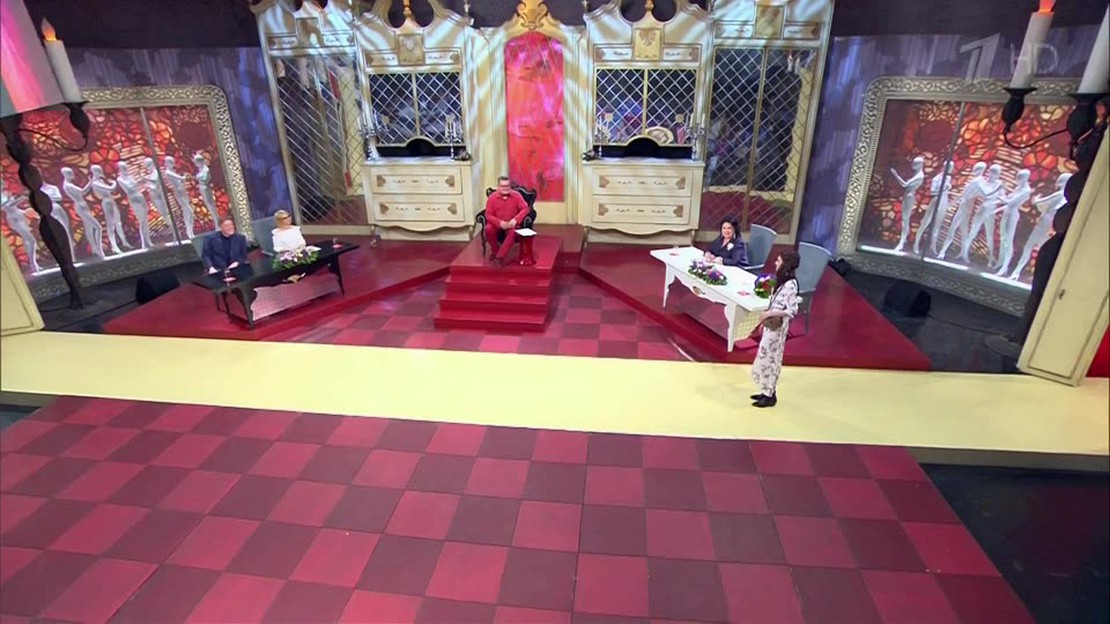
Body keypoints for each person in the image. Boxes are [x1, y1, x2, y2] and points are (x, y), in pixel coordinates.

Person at [750, 248, 800, 408]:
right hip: (771, 326)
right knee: (764, 357)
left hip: (778, 329)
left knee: (772, 360)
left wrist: (770, 313)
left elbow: (792, 310)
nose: (775, 263)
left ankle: (770, 393)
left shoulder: (791, 285)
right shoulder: (781, 281)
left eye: (778, 261)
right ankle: (765, 389)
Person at [483, 175, 530, 266]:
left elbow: (525, 209)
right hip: (497, 223)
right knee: (488, 229)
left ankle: (499, 257)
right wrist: (499, 223)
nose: (505, 188)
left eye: (507, 186)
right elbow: (488, 215)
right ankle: (495, 251)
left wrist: (515, 220)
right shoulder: (492, 198)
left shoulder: (516, 195)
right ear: (498, 187)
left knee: (513, 233)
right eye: (503, 186)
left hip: (511, 223)